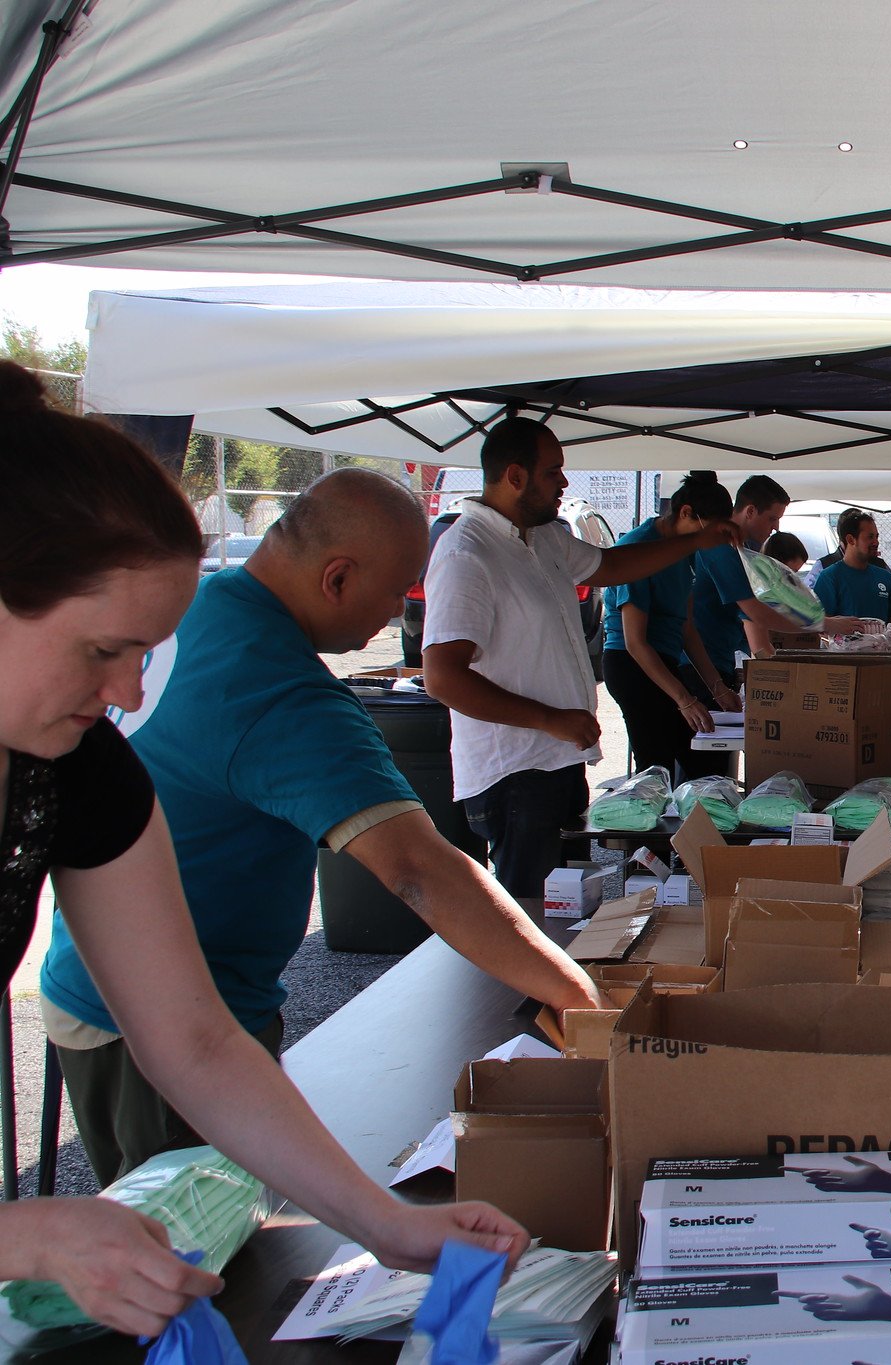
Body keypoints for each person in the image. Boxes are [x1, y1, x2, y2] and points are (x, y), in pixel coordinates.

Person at [0, 364, 525, 1338]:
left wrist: (386, 1226)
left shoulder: (80, 768)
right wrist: (25, 1239)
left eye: (142, 656)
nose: (124, 695)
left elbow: (196, 1040)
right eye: (101, 651)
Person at [42, 468, 602, 1182]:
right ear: (337, 577)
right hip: (160, 1024)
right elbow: (419, 870)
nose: (405, 612)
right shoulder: (281, 690)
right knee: (199, 1247)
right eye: (400, 590)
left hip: (115, 985)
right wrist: (576, 992)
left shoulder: (208, 605)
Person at [423, 417, 738, 898]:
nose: (564, 483)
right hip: (516, 772)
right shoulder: (467, 552)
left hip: (558, 760)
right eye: (554, 472)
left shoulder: (543, 535)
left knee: (569, 904)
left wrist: (694, 541)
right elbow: (443, 678)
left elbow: (610, 566)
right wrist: (551, 719)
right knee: (531, 910)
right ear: (514, 476)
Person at [600, 474, 737, 782]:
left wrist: (718, 687)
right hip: (631, 663)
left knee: (702, 756)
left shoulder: (682, 551)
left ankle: (694, 826)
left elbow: (687, 627)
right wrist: (684, 698)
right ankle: (648, 826)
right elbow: (636, 643)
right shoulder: (637, 547)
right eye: (708, 534)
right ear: (686, 513)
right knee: (655, 765)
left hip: (665, 659)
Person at [688, 475, 865, 681]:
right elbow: (757, 614)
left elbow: (758, 624)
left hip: (719, 660)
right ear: (750, 511)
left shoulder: (742, 550)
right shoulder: (723, 549)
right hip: (701, 666)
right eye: (772, 518)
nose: (776, 527)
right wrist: (824, 624)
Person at [814, 509, 891, 623]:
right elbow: (820, 625)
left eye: (877, 537)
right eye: (870, 537)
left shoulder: (885, 577)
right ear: (851, 540)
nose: (876, 542)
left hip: (882, 640)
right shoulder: (829, 578)